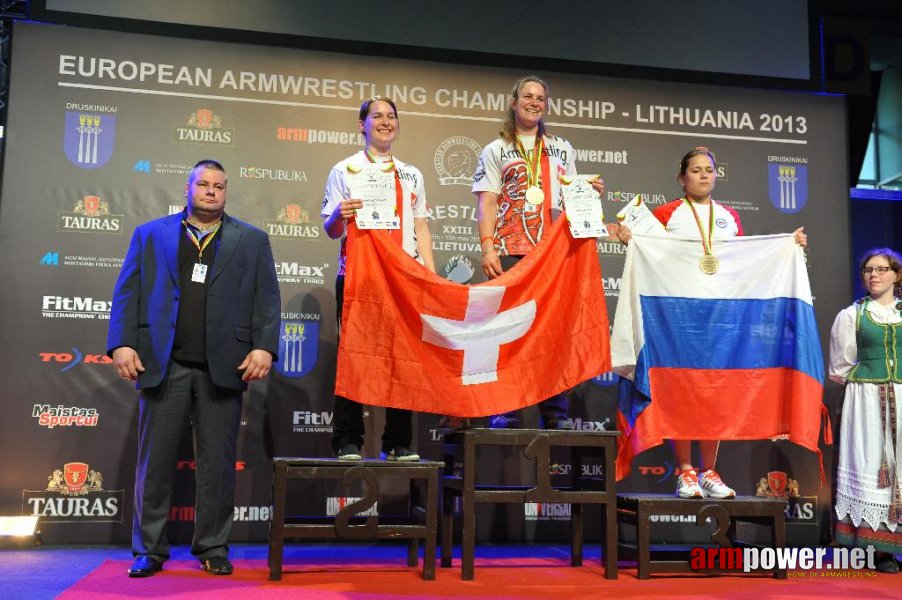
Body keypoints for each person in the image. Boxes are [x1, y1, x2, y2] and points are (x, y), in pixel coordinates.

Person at [107, 159, 281, 578]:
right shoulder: (150, 235)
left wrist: (265, 349)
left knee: (218, 466)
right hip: (162, 363)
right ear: (187, 188)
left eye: (219, 186)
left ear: (226, 192)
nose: (210, 191)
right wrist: (121, 343)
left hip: (225, 366)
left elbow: (267, 299)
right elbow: (127, 291)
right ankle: (148, 549)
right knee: (155, 463)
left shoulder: (252, 240)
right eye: (202, 184)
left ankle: (214, 546)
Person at [616, 146, 808, 499]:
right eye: (696, 170)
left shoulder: (729, 216)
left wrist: (787, 245)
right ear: (681, 178)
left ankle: (709, 471)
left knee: (714, 392)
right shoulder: (666, 214)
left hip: (721, 318)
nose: (704, 175)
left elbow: (741, 261)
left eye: (709, 169)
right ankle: (686, 472)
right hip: (677, 317)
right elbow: (650, 256)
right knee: (682, 390)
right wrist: (632, 240)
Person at [473, 74, 604, 430]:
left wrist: (590, 191)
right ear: (513, 102)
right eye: (527, 96)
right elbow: (487, 202)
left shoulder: (562, 148)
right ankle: (505, 407)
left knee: (553, 333)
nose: (534, 102)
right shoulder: (495, 150)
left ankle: (554, 412)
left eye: (540, 98)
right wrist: (488, 247)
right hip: (511, 250)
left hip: (552, 254)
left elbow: (573, 195)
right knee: (508, 332)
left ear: (546, 106)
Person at [322, 95, 436, 461]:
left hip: (404, 277)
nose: (385, 122)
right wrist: (340, 214)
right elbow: (331, 229)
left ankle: (398, 441)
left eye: (391, 116)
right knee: (354, 354)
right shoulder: (345, 169)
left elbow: (420, 226)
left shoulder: (412, 173)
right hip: (359, 276)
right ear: (362, 124)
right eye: (377, 116)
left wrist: (430, 275)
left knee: (405, 356)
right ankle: (347, 439)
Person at [829, 248, 902, 574]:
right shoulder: (852, 315)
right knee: (873, 463)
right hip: (867, 399)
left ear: (896, 275)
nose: (874, 275)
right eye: (868, 270)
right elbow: (840, 366)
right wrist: (866, 382)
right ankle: (877, 548)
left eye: (882, 269)